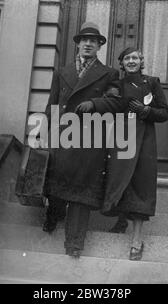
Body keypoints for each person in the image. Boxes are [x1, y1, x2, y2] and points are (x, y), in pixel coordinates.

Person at [42, 22, 124, 258]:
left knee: (81, 192)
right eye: (84, 40)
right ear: (77, 44)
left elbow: (117, 104)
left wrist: (95, 104)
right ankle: (53, 215)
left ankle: (74, 244)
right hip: (64, 135)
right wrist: (45, 132)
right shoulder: (62, 72)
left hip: (91, 138)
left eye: (93, 41)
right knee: (57, 181)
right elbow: (53, 104)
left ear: (99, 46)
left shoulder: (109, 73)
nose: (88, 44)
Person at [102, 47, 168, 261]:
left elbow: (165, 113)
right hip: (122, 139)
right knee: (121, 179)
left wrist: (146, 111)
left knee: (141, 185)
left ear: (141, 62)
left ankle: (136, 241)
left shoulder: (151, 83)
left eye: (135, 58)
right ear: (121, 64)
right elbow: (109, 106)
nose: (131, 61)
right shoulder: (116, 85)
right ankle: (121, 220)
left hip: (144, 142)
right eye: (127, 59)